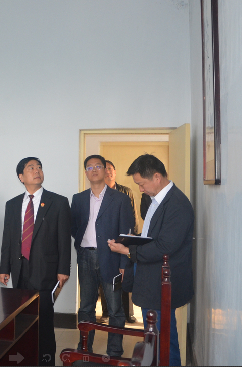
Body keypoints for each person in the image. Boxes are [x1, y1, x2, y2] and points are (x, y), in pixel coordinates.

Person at [108, 154, 194, 366]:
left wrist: (128, 251)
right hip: (151, 279)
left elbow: (165, 246)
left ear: (157, 177)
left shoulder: (177, 204)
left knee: (164, 339)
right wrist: (131, 240)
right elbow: (152, 236)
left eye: (141, 184)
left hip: (162, 282)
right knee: (153, 337)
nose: (140, 189)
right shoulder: (156, 200)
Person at [0, 157, 71, 366]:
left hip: (46, 271)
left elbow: (64, 239)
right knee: (22, 320)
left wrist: (63, 269)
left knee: (44, 320)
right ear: (21, 177)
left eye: (39, 167)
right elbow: (8, 238)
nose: (37, 170)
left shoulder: (58, 202)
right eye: (31, 168)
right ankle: (26, 359)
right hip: (19, 269)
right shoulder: (12, 204)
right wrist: (4, 268)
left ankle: (46, 361)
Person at [71, 155, 134, 357]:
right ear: (86, 172)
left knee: (115, 308)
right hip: (86, 257)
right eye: (90, 167)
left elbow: (127, 234)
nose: (94, 170)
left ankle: (114, 352)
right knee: (86, 307)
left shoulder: (121, 199)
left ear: (106, 170)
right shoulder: (78, 199)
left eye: (98, 166)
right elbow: (74, 227)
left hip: (111, 258)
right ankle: (84, 348)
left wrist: (124, 262)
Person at [105, 160, 139, 323]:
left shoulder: (126, 192)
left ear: (115, 172)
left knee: (125, 275)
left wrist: (133, 238)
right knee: (106, 279)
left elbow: (133, 216)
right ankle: (106, 312)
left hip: (124, 240)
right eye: (105, 169)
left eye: (110, 169)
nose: (108, 172)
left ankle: (128, 313)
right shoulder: (100, 192)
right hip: (106, 242)